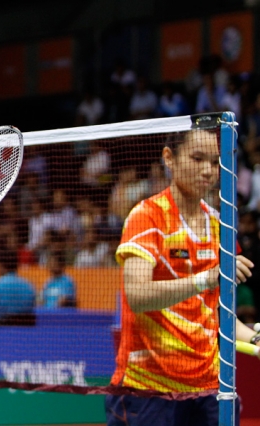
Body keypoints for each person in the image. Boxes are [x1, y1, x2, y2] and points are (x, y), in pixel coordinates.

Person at [105, 128, 260, 426]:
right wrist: (206, 278)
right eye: (197, 158)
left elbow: (218, 314)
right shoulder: (147, 217)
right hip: (149, 387)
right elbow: (137, 296)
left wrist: (253, 337)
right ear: (169, 158)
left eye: (214, 162)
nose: (208, 170)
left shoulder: (221, 226)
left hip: (208, 386)